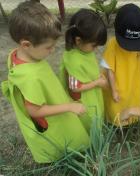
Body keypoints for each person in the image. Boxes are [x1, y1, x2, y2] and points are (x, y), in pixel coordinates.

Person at [1, 1, 90, 163]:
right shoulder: (30, 76)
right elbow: (34, 111)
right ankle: (65, 159)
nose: (53, 50)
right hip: (50, 120)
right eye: (49, 47)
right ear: (26, 45)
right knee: (65, 141)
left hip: (51, 103)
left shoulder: (17, 54)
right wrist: (70, 106)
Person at [59, 9, 107, 133]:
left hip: (91, 93)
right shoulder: (74, 60)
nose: (96, 49)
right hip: (84, 100)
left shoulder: (84, 50)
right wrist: (97, 82)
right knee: (89, 121)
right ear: (78, 40)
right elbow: (75, 87)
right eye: (94, 45)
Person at [101, 3, 140, 126]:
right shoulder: (112, 45)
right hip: (117, 85)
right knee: (116, 106)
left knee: (133, 99)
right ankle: (117, 125)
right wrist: (113, 91)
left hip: (133, 81)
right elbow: (109, 70)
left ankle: (132, 121)